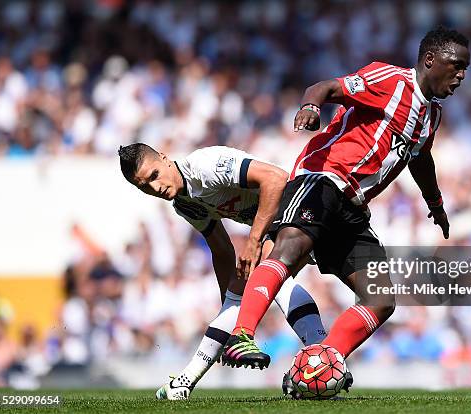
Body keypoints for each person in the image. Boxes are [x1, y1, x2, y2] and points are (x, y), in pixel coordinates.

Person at [221, 26, 470, 387]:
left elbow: (420, 158)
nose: (461, 75)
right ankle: (241, 334)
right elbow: (324, 88)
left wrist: (436, 203)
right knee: (290, 249)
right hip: (323, 178)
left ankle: (323, 362)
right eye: (456, 65)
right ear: (430, 60)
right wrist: (310, 106)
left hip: (353, 207)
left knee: (382, 299)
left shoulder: (432, 115)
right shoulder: (391, 80)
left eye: (466, 68)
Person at [118, 144, 327, 400]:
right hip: (284, 221)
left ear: (164, 158)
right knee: (262, 283)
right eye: (144, 187)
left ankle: (324, 358)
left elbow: (276, 178)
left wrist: (253, 242)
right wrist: (229, 304)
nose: (155, 187)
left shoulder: (205, 166)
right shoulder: (185, 204)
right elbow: (222, 250)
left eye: (154, 175)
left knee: (270, 273)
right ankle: (182, 383)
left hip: (307, 205)